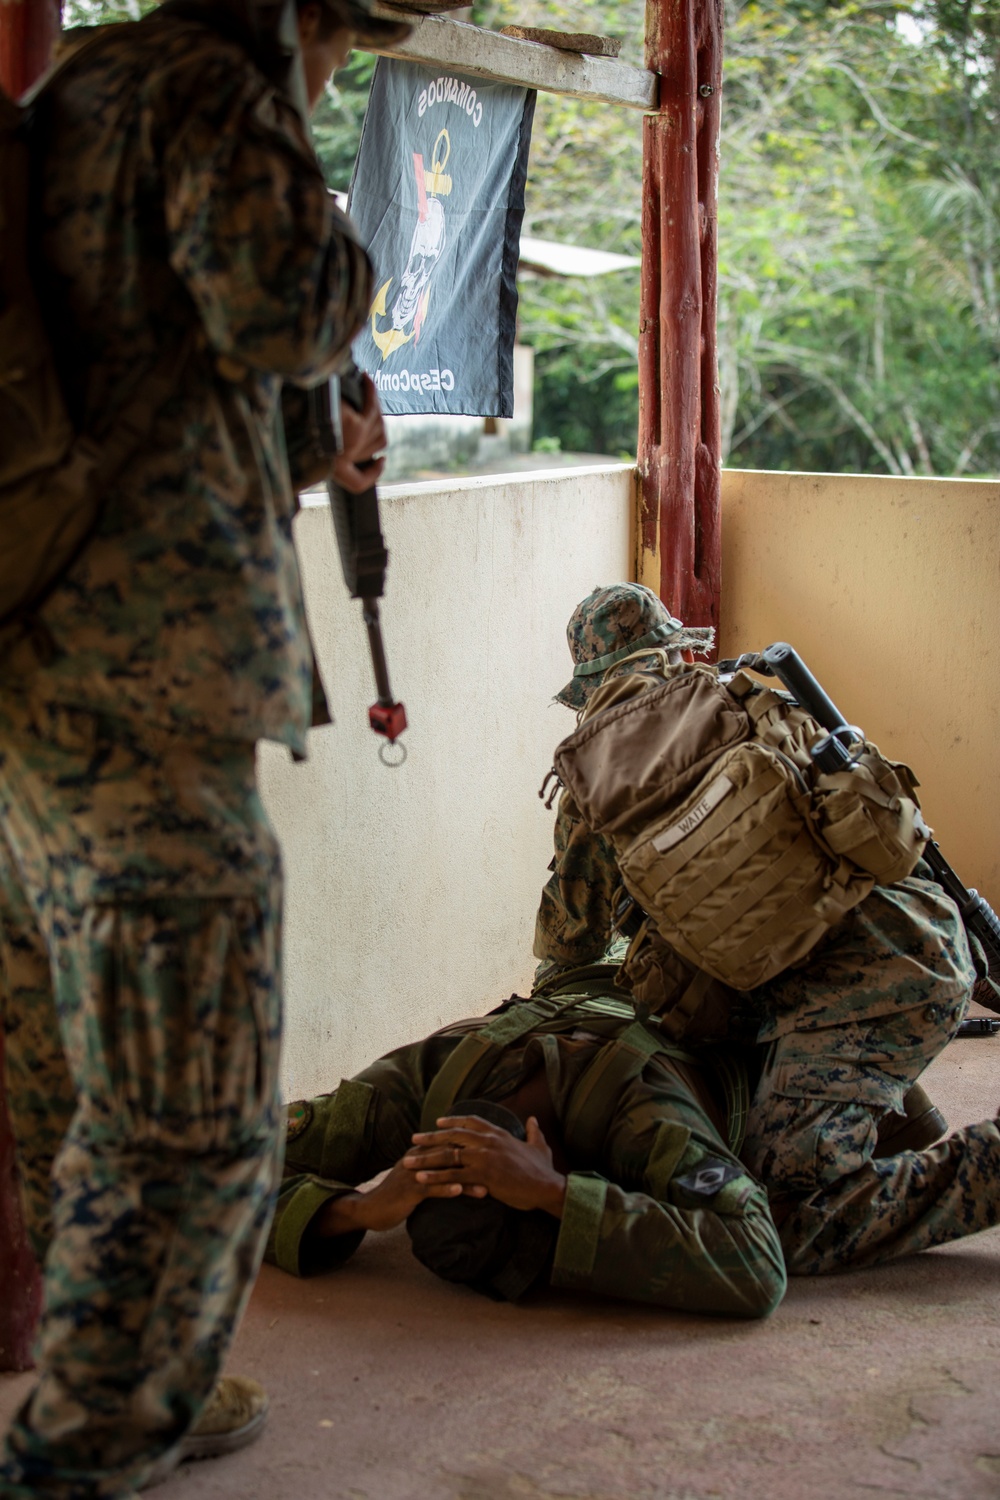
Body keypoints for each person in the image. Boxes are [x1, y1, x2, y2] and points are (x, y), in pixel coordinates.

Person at [0, 1, 409, 1495]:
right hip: (139, 679)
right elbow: (287, 304)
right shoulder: (212, 86)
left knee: (74, 1073)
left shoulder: (88, 84)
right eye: (345, 43)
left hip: (37, 657)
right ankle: (86, 1448)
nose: (339, 71)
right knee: (193, 1109)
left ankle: (111, 1390)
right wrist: (356, 240)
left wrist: (324, 443)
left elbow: (168, 383)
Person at [533, 584, 990, 1272]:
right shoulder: (748, 702)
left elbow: (569, 957)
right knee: (719, 978)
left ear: (590, 686)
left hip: (864, 995)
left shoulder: (594, 784)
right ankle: (896, 1117)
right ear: (671, 653)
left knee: (787, 1218)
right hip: (923, 932)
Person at [265, 959, 1000, 1304]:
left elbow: (756, 1265)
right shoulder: (427, 1083)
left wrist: (554, 1196)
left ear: (540, 1147)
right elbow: (230, 1165)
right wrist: (365, 1207)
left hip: (793, 1049)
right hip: (623, 977)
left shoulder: (639, 1111)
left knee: (797, 1229)